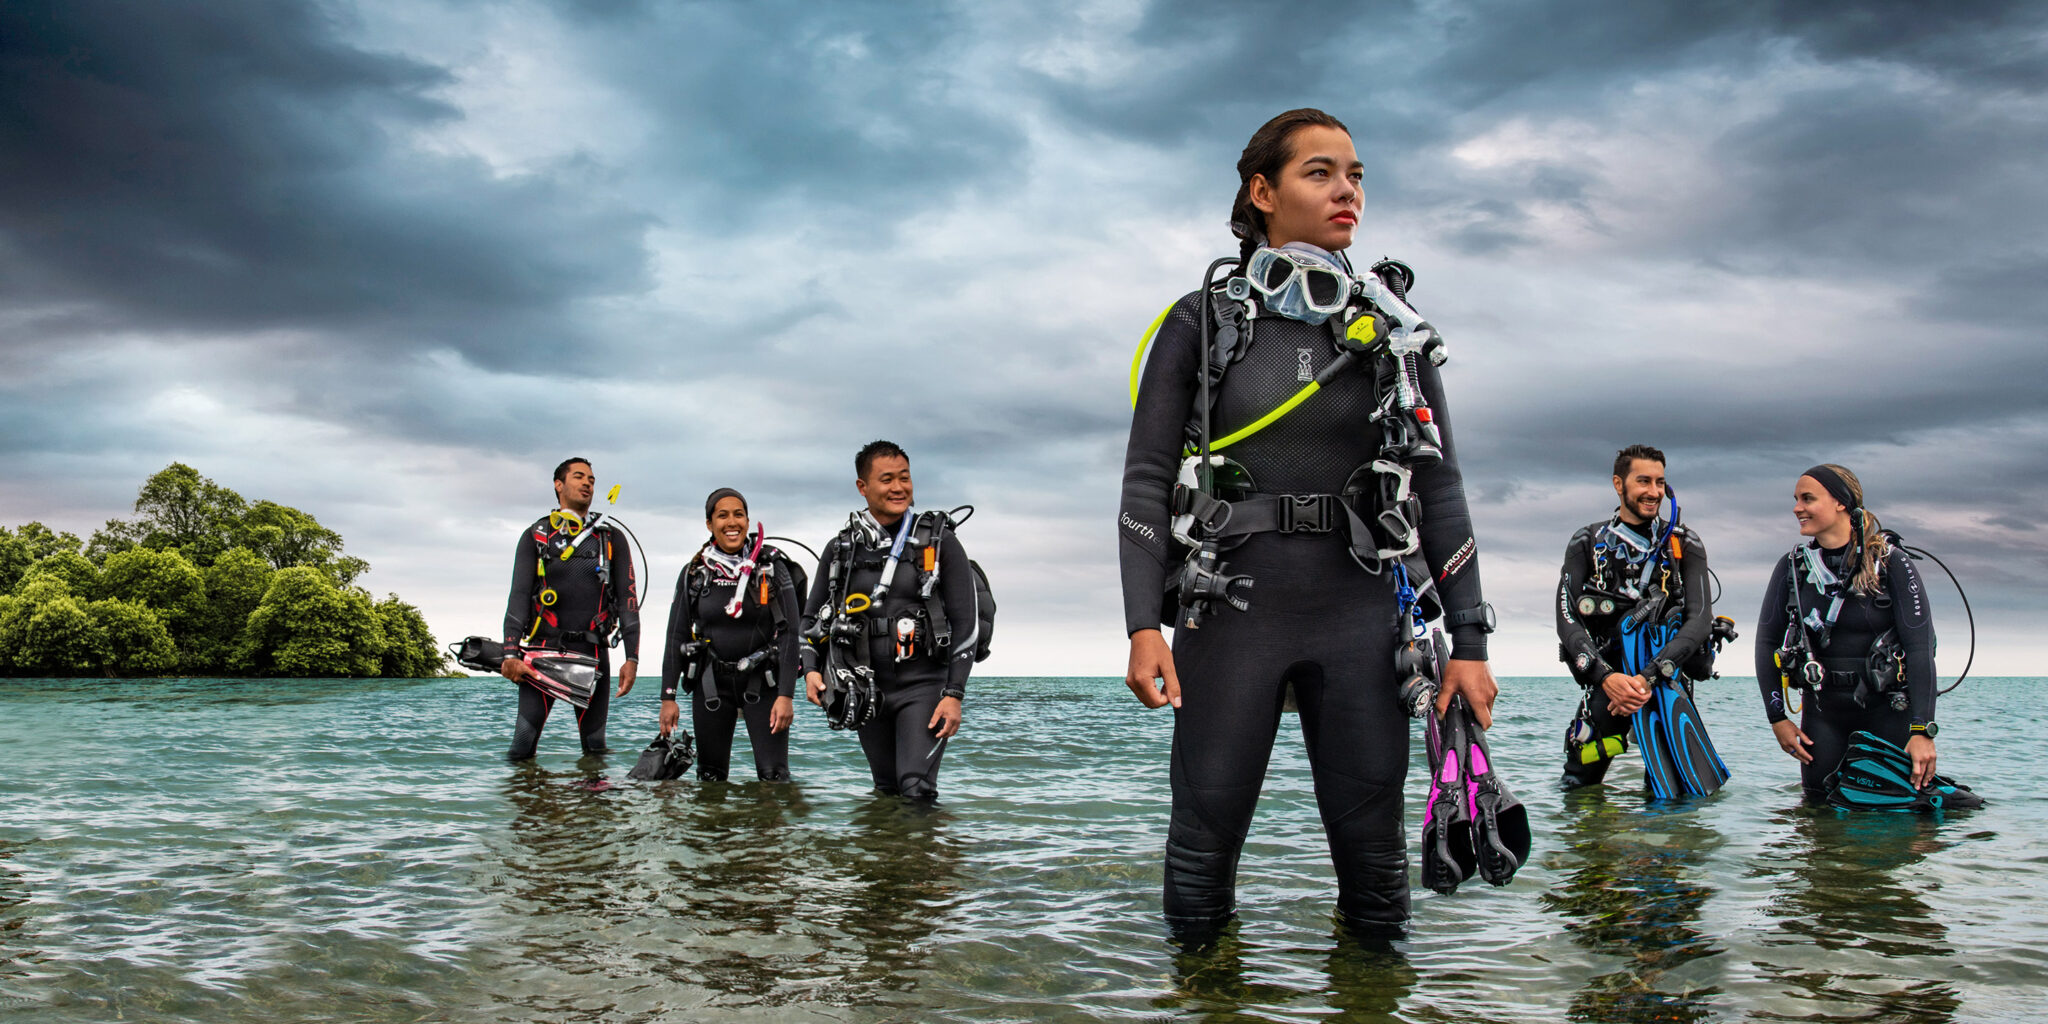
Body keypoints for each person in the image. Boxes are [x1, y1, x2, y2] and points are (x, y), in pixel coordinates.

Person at [1118, 108, 1497, 941]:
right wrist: (1144, 625)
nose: (1346, 191)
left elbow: (1441, 489)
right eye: (1320, 172)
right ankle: (1204, 999)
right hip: (1230, 612)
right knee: (1201, 849)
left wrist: (1468, 642)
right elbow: (1146, 479)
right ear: (1263, 191)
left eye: (1356, 174)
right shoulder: (1202, 322)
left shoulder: (1394, 333)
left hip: (1360, 613)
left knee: (1375, 863)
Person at [802, 441, 979, 801]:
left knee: (916, 789)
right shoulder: (841, 549)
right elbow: (811, 619)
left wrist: (954, 694)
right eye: (887, 479)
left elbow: (966, 622)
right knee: (886, 790)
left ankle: (929, 858)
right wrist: (810, 670)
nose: (899, 488)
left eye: (905, 478)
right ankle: (888, 859)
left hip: (924, 687)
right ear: (862, 487)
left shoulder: (938, 541)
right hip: (868, 690)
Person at [1756, 465, 1942, 800]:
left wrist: (1922, 730)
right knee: (1818, 819)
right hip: (1823, 715)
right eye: (1796, 499)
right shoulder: (1792, 567)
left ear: (1841, 502)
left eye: (1808, 498)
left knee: (1894, 827)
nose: (1797, 507)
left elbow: (1919, 647)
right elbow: (1767, 642)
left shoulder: (1891, 563)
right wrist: (1777, 719)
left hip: (1888, 713)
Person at [1554, 445, 1719, 789]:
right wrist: (1606, 678)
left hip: (1666, 686)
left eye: (1660, 482)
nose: (1654, 491)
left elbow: (1700, 619)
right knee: (1578, 786)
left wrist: (1647, 678)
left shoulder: (1684, 542)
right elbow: (1567, 617)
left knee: (1673, 800)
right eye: (1643, 481)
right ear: (1619, 484)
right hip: (1608, 686)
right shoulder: (1586, 542)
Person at [501, 457, 640, 761]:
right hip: (542, 654)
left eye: (591, 479)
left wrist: (632, 658)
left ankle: (592, 808)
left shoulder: (611, 538)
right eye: (579, 476)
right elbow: (519, 596)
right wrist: (510, 652)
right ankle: (527, 806)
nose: (588, 483)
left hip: (593, 655)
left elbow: (629, 601)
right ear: (559, 485)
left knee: (595, 751)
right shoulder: (536, 536)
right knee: (521, 747)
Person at [658, 488, 801, 782]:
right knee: (709, 779)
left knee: (775, 778)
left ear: (748, 521)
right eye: (722, 515)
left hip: (764, 685)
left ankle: (775, 830)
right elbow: (676, 635)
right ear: (710, 524)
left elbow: (790, 634)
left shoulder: (772, 568)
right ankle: (712, 830)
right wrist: (667, 697)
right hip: (712, 686)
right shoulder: (695, 573)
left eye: (739, 514)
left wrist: (786, 695)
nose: (731, 522)